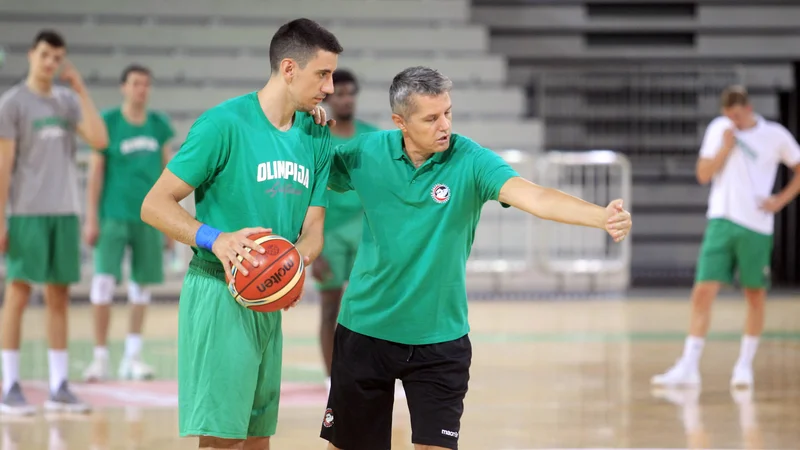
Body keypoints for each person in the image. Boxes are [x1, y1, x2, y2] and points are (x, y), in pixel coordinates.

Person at [318, 66, 632, 450]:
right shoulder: (365, 152)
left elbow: (536, 196)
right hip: (365, 331)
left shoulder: (470, 160)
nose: (444, 125)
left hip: (440, 338)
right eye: (431, 118)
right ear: (400, 121)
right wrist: (307, 126)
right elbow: (309, 172)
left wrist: (601, 217)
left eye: (448, 112)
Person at [140, 18, 341, 450]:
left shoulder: (316, 135)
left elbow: (314, 232)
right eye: (322, 74)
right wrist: (219, 239)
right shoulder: (222, 125)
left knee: (256, 437)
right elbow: (154, 205)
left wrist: (290, 266)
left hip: (266, 298)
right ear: (289, 69)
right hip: (219, 293)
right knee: (221, 440)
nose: (330, 86)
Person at [651, 85, 800, 389]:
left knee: (754, 294)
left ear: (748, 108)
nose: (733, 120)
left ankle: (744, 365)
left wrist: (779, 200)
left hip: (756, 225)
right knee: (702, 291)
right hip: (721, 220)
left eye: (737, 115)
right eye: (727, 115)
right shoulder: (719, 130)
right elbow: (703, 174)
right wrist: (724, 148)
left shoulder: (775, 135)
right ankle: (689, 365)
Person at [0, 30, 108, 415]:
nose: (50, 63)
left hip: (65, 211)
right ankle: (9, 385)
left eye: (57, 57)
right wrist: (1, 219)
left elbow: (99, 139)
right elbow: (4, 166)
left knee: (59, 296)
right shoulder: (12, 104)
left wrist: (81, 89)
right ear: (31, 55)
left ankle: (59, 386)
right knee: (18, 293)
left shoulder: (66, 101)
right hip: (27, 212)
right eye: (45, 55)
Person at [82, 64, 175, 382]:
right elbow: (95, 174)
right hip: (113, 216)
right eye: (136, 83)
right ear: (123, 87)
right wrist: (91, 217)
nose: (141, 89)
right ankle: (100, 357)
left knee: (141, 287)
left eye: (146, 84)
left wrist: (170, 221)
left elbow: (169, 173)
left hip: (149, 219)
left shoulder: (158, 125)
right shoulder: (107, 122)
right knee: (103, 284)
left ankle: (132, 357)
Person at [312, 69, 381, 392]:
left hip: (366, 232)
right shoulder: (316, 136)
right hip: (327, 233)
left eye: (351, 93)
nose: (346, 99)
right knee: (330, 307)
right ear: (328, 97)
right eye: (339, 93)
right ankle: (331, 378)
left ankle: (371, 372)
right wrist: (310, 247)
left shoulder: (371, 137)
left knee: (370, 306)